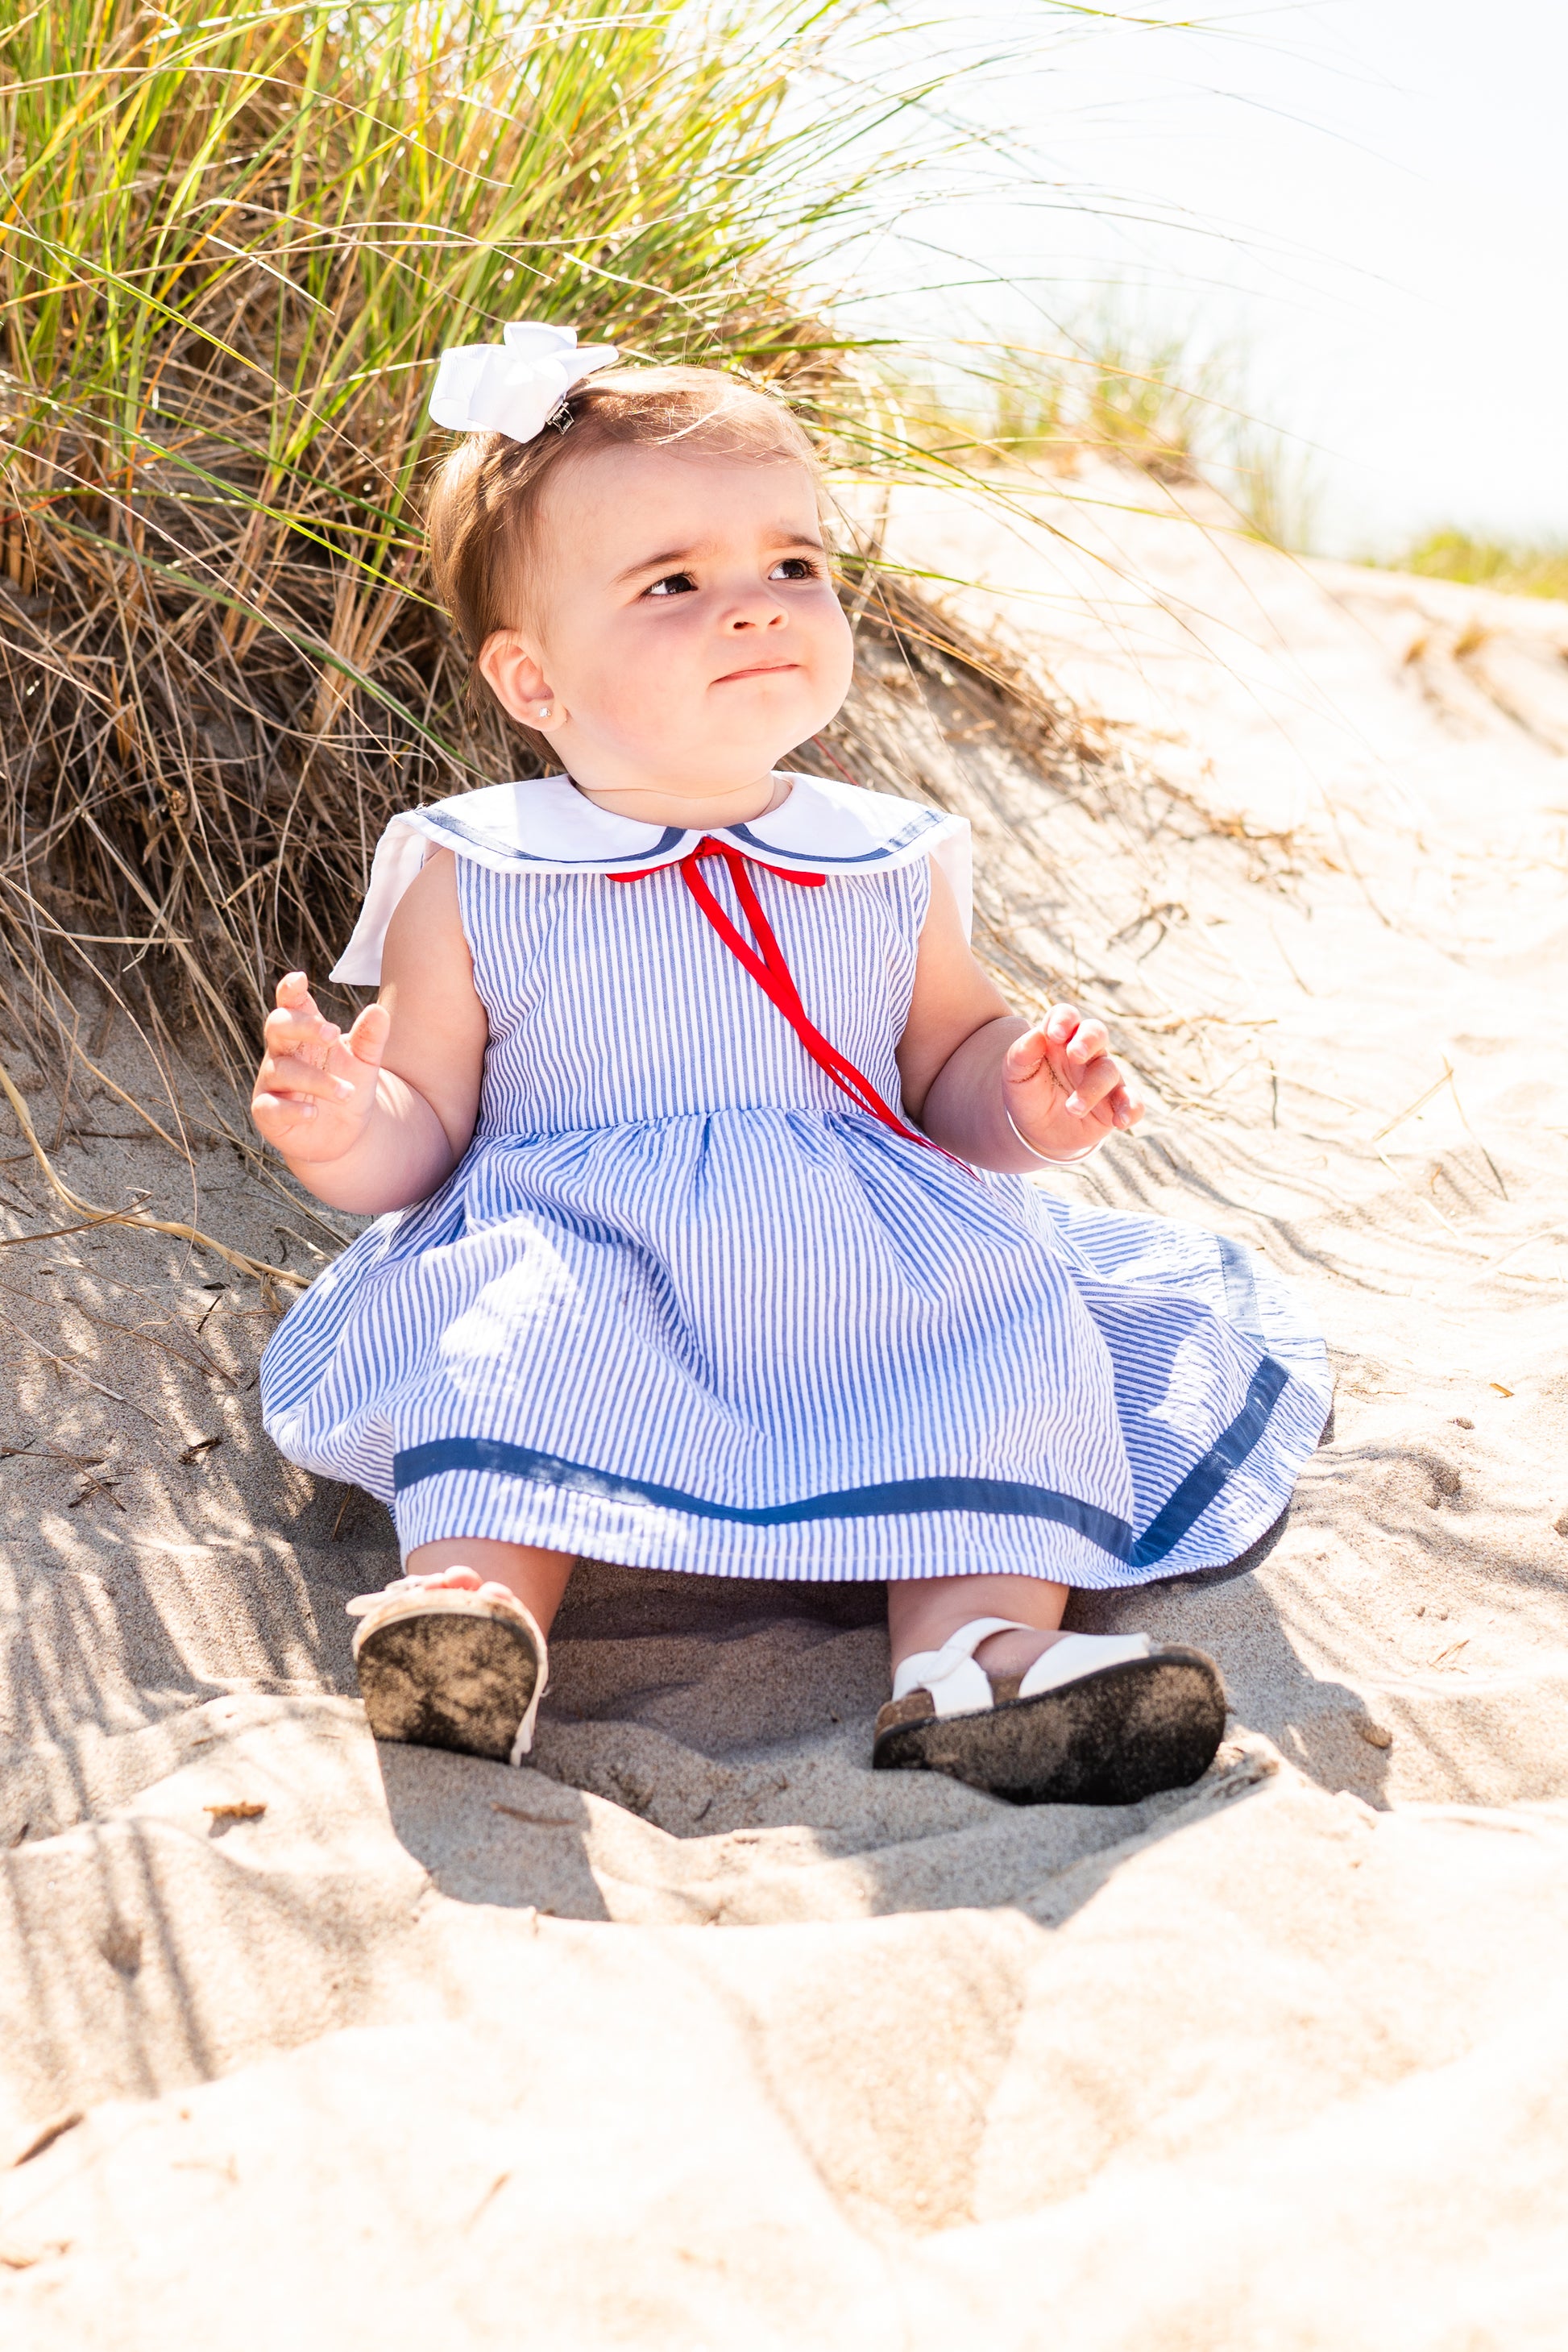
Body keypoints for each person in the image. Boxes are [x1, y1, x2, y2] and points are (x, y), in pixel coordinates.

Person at [251, 322, 1330, 1806]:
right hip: (587, 1242)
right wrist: (342, 1121)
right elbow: (426, 1124)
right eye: (672, 583)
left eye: (792, 563)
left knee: (1003, 1330)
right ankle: (474, 1613)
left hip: (865, 1249)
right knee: (506, 1338)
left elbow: (945, 1064)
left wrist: (1020, 1097)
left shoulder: (884, 856)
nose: (756, 604)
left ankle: (974, 1654)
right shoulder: (477, 869)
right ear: (532, 677)